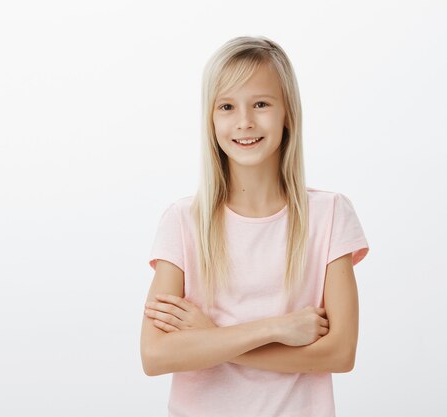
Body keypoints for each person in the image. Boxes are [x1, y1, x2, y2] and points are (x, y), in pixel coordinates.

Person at [140, 35, 370, 417]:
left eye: (261, 104)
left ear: (287, 115)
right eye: (227, 106)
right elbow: (156, 355)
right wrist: (275, 329)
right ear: (210, 119)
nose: (244, 122)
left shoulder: (329, 215)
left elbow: (340, 353)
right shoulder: (183, 221)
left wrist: (210, 340)